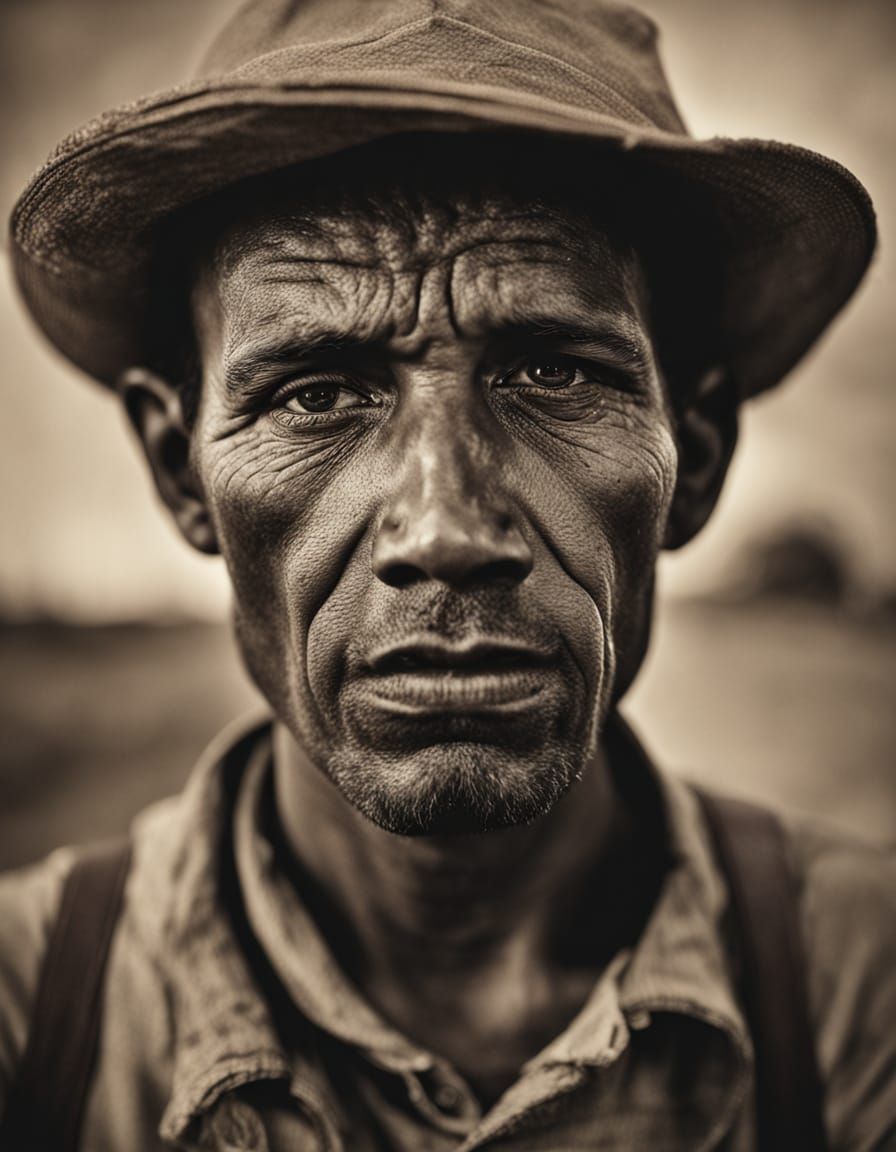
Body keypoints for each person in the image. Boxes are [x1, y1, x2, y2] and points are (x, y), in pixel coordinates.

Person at [1, 1, 894, 1149]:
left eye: (553, 373)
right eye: (316, 394)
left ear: (696, 460)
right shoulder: (35, 1011)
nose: (445, 526)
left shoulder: (860, 985)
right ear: (183, 475)